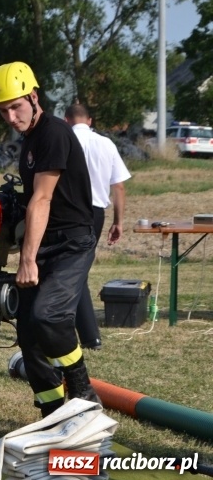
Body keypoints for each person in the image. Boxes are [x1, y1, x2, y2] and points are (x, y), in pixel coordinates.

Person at [0, 61, 100, 418]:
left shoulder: (52, 132)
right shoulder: (31, 136)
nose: (10, 116)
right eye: (2, 110)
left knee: (49, 315)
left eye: (15, 106)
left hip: (71, 241)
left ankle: (82, 389)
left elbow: (43, 198)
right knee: (30, 334)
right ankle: (52, 415)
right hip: (48, 239)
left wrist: (26, 258)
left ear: (34, 97)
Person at [65, 103, 132, 351]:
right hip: (96, 212)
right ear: (89, 121)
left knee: (73, 271)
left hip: (69, 210)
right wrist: (118, 221)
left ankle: (89, 335)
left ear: (66, 119)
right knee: (77, 269)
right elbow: (119, 186)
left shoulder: (65, 140)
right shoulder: (106, 144)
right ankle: (85, 333)